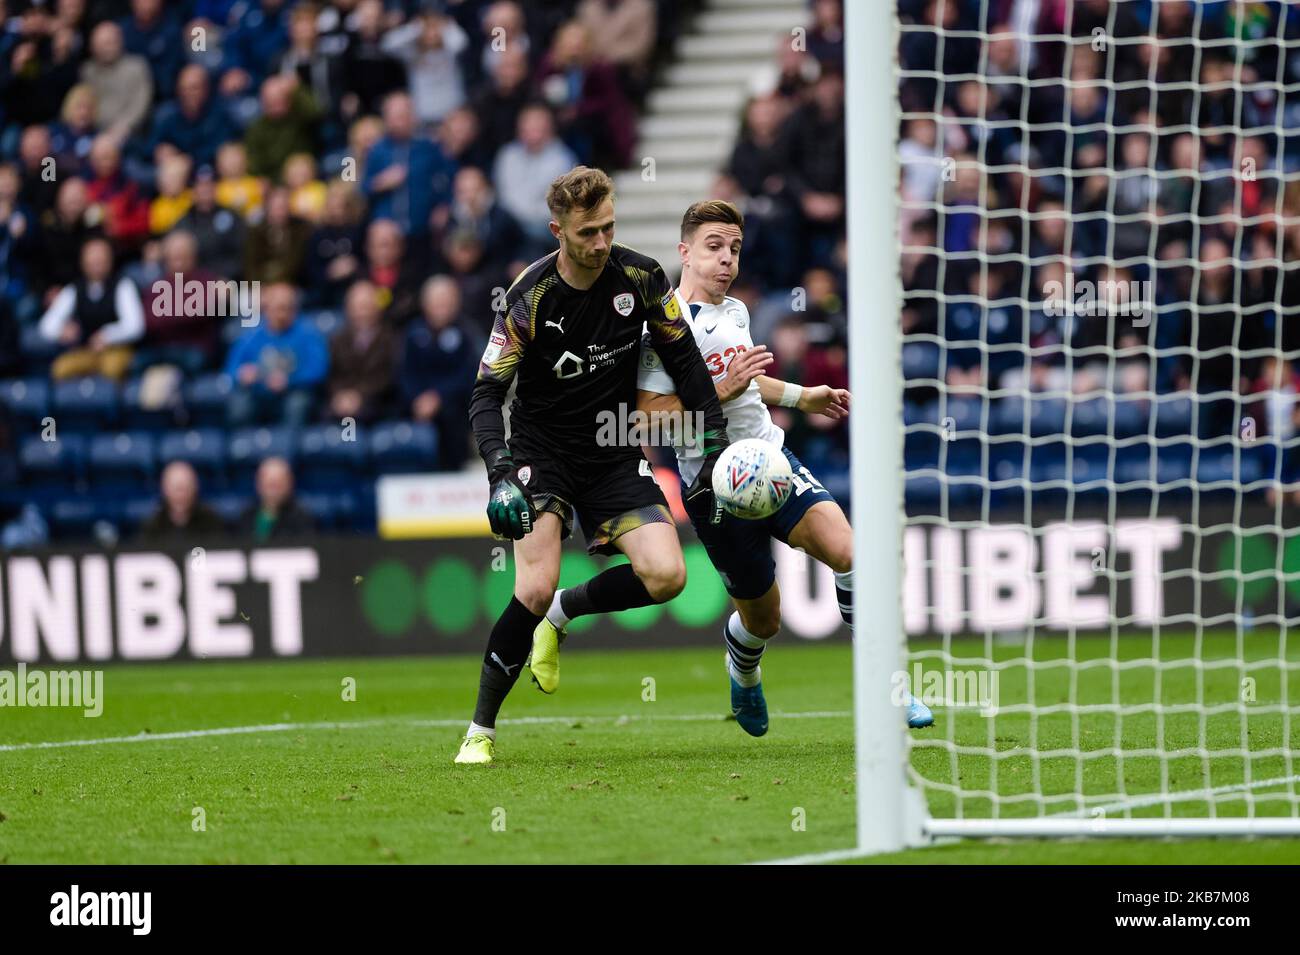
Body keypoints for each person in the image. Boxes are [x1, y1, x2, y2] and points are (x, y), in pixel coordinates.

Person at [535, 200, 932, 734]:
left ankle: (890, 685)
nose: (727, 260)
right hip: (713, 487)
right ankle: (742, 667)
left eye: (735, 249)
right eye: (714, 248)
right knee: (763, 619)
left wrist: (801, 395)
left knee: (850, 552)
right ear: (685, 253)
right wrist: (722, 389)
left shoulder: (738, 312)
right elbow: (651, 423)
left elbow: (749, 381)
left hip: (770, 458)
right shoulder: (663, 331)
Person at [453, 166, 730, 765]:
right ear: (558, 231)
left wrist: (714, 440)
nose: (602, 243)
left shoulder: (642, 276)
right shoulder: (527, 297)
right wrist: (500, 470)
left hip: (612, 449)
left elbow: (686, 365)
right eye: (588, 234)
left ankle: (565, 613)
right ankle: (481, 729)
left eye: (608, 228)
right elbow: (484, 394)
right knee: (532, 583)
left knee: (668, 576)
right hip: (539, 452)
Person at [38, 237, 144, 381]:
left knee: (112, 368)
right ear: (83, 262)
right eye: (92, 261)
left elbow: (135, 326)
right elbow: (46, 325)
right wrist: (61, 331)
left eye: (101, 260)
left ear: (110, 260)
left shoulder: (123, 285)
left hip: (117, 349)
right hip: (86, 350)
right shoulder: (75, 289)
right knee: (60, 368)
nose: (96, 265)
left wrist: (107, 336)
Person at [225, 282, 328, 427]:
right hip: (258, 393)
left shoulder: (309, 334)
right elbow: (231, 368)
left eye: (287, 308)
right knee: (239, 406)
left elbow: (318, 369)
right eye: (277, 308)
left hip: (292, 392)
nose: (281, 314)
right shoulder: (251, 335)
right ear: (265, 309)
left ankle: (289, 447)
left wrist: (290, 380)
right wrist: (242, 374)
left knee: (298, 404)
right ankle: (243, 447)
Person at [140, 461, 226, 542]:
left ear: (195, 487)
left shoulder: (211, 522)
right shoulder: (152, 526)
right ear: (164, 489)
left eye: (185, 487)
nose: (181, 494)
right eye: (176, 488)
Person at [237, 456, 316, 541]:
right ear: (258, 484)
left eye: (278, 485)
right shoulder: (246, 516)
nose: (273, 491)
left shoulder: (302, 518)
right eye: (269, 484)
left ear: (289, 483)